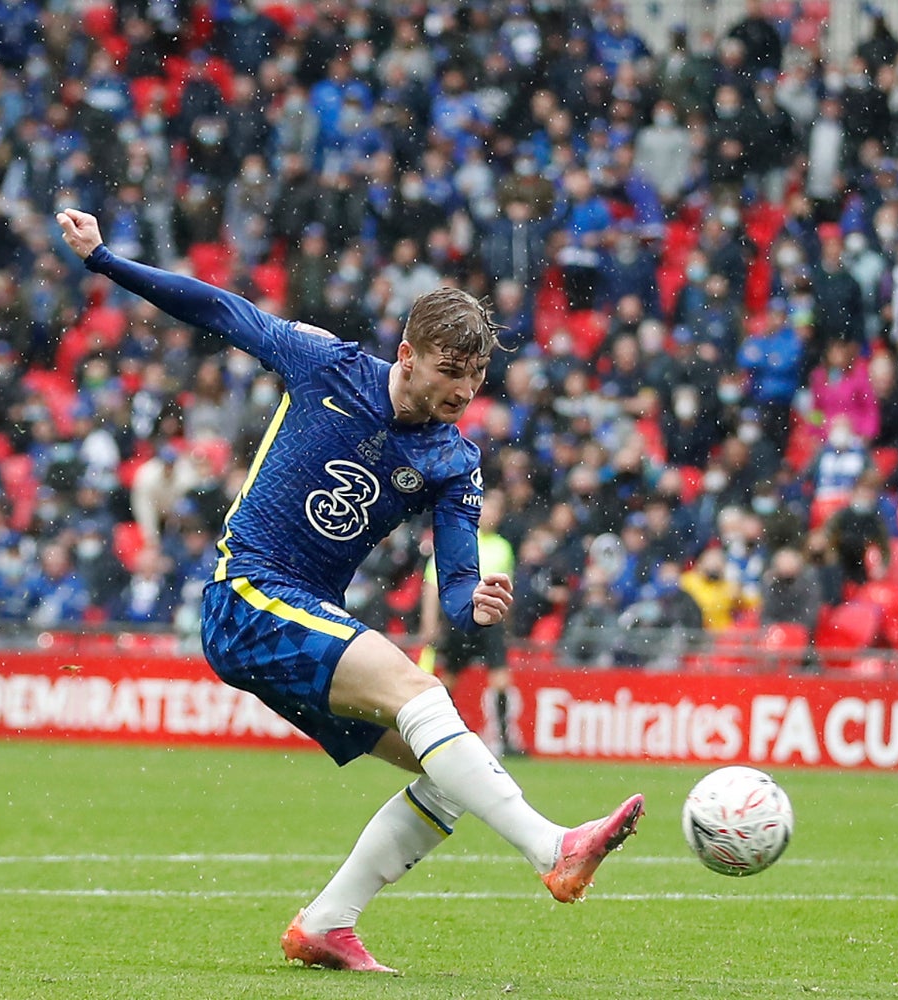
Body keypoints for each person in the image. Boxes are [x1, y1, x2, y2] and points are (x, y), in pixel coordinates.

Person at [54, 209, 644, 974]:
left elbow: (457, 578)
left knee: (453, 772)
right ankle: (552, 847)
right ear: (406, 354)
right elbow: (219, 308)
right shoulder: (326, 364)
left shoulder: (453, 461)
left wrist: (474, 604)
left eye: (474, 374)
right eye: (448, 369)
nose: (463, 388)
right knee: (420, 691)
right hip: (247, 593)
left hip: (300, 616)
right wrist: (104, 259)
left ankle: (328, 922)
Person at [418, 489, 524, 758]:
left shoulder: (503, 546)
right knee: (450, 678)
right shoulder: (459, 540)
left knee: (500, 678)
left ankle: (503, 739)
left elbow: (507, 588)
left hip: (492, 622)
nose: (490, 515)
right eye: (486, 509)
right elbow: (432, 583)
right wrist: (430, 622)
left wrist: (506, 623)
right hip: (462, 616)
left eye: (495, 511)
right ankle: (436, 733)